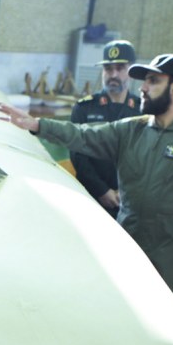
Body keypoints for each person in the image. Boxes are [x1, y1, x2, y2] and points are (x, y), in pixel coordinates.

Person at [0, 54, 173, 311]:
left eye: (153, 81)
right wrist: (38, 125)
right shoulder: (131, 129)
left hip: (171, 254)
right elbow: (84, 135)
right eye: (144, 81)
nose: (143, 88)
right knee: (119, 310)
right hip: (127, 244)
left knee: (167, 314)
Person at [70, 40, 141, 217]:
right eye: (108, 68)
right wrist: (101, 190)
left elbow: (147, 158)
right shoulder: (84, 108)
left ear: (131, 71)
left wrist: (126, 192)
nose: (113, 74)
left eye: (120, 68)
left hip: (131, 200)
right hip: (91, 197)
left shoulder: (143, 110)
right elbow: (78, 156)